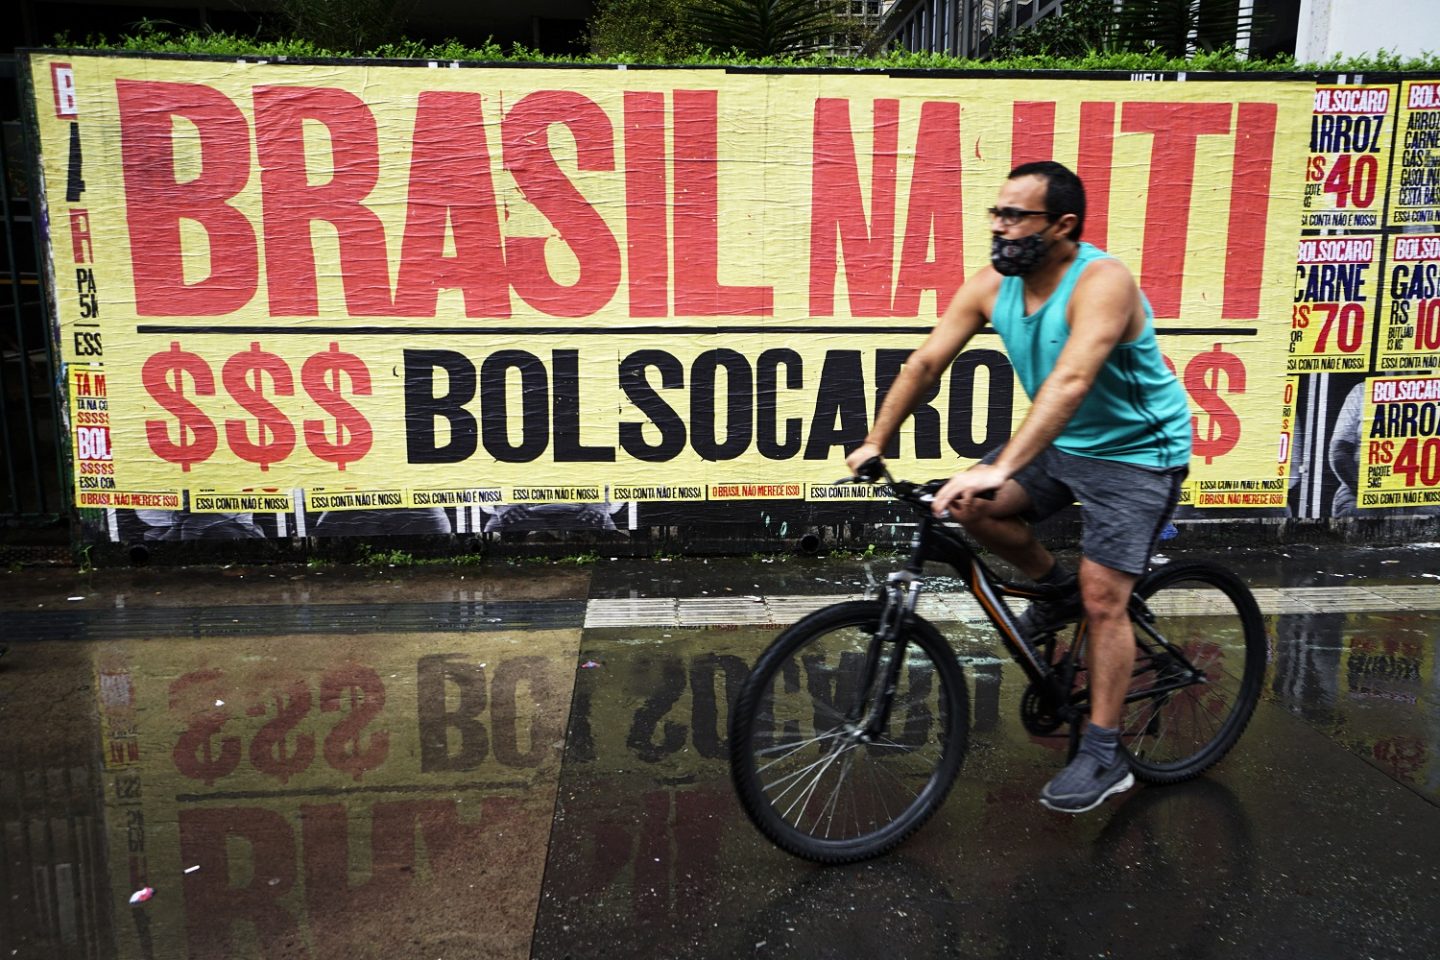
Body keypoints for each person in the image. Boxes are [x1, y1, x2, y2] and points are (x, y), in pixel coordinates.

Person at [845, 161, 1191, 814]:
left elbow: (1070, 382)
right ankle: (1055, 592)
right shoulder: (993, 288)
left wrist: (1001, 464)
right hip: (1064, 444)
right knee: (968, 504)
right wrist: (875, 440)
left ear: (1062, 226)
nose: (1000, 227)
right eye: (996, 213)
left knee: (1104, 596)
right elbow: (925, 364)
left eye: (1016, 215)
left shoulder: (1102, 281)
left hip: (1138, 455)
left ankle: (1105, 750)